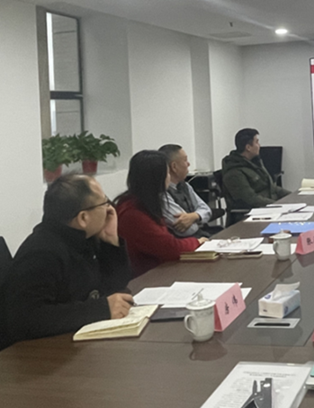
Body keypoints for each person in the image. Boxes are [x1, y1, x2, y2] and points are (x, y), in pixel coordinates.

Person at [0, 174, 133, 350]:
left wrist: (111, 240)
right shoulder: (42, 253)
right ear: (83, 218)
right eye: (104, 203)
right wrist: (101, 309)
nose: (109, 209)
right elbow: (27, 319)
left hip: (76, 345)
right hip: (37, 355)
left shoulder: (83, 238)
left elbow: (116, 285)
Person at [116, 150, 205, 276]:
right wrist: (197, 242)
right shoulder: (133, 212)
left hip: (159, 268)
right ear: (157, 177)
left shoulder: (145, 201)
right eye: (167, 173)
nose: (169, 177)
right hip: (147, 276)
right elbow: (170, 248)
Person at [221, 128, 291, 222]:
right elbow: (251, 199)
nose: (259, 146)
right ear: (248, 147)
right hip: (252, 216)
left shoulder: (255, 163)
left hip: (270, 209)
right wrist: (278, 205)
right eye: (257, 142)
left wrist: (293, 197)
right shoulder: (234, 172)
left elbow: (271, 187)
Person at [158, 144, 214, 238]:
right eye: (185, 160)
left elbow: (207, 210)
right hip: (183, 242)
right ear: (174, 167)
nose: (188, 164)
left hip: (200, 236)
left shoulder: (185, 186)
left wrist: (194, 216)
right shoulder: (162, 193)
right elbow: (188, 230)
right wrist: (199, 219)